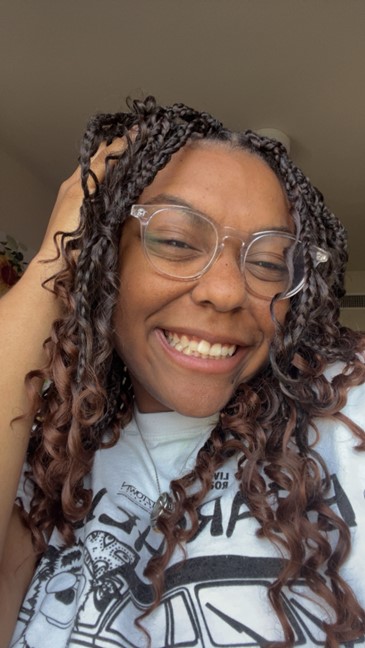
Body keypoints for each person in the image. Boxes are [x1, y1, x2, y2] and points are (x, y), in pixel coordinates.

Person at [0, 96, 364, 648]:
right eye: (174, 241)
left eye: (268, 263)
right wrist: (55, 259)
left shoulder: (346, 412)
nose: (225, 291)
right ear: (101, 261)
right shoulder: (45, 462)